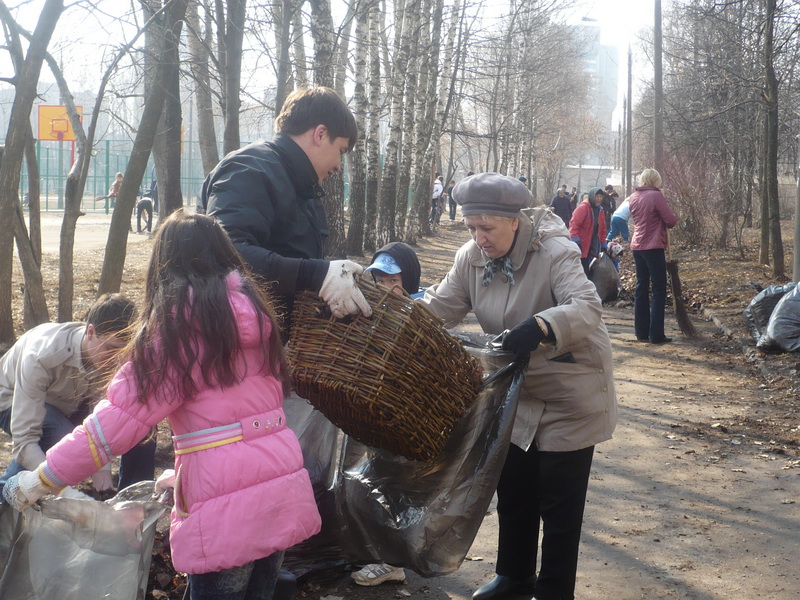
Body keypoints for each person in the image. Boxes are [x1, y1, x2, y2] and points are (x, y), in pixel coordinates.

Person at [3, 212, 322, 600]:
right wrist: (184, 472)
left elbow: (110, 429)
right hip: (281, 486)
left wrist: (41, 479)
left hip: (226, 513)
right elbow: (244, 421)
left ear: (165, 266)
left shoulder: (176, 332)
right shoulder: (257, 320)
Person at [419, 173, 616, 600]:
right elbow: (439, 307)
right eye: (471, 228)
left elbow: (586, 307)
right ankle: (514, 576)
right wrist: (392, 313)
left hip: (571, 389)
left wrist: (542, 325)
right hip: (518, 393)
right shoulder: (471, 257)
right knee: (514, 490)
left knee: (559, 505)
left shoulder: (555, 250)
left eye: (486, 228)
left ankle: (554, 589)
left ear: (515, 221)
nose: (478, 238)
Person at [200, 86, 370, 326]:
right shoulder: (250, 169)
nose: (338, 166)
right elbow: (226, 253)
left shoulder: (303, 187)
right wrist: (316, 275)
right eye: (340, 151)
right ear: (320, 134)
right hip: (231, 344)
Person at [0, 293, 155, 497]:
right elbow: (24, 442)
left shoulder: (111, 357)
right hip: (13, 400)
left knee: (142, 428)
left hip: (71, 401)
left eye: (125, 351)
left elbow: (107, 416)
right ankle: (6, 495)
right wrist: (66, 493)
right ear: (90, 332)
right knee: (59, 434)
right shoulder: (42, 355)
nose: (118, 360)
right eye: (111, 349)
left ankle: (133, 510)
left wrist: (103, 478)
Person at [349, 241, 425, 588]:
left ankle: (392, 561)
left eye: (392, 280)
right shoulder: (365, 313)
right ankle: (364, 550)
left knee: (392, 486)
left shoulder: (419, 314)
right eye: (378, 279)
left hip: (402, 418)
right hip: (367, 412)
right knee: (357, 483)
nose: (384, 287)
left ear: (407, 282)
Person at [628, 168, 678, 344]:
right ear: (656, 180)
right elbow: (670, 221)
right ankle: (656, 334)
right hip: (653, 245)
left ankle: (641, 332)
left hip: (637, 245)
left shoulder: (633, 197)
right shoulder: (656, 196)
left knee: (641, 287)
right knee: (658, 289)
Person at [569, 187, 608, 276]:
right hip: (581, 245)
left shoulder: (600, 210)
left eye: (600, 197)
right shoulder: (583, 208)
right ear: (591, 197)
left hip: (592, 245)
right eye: (596, 196)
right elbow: (573, 225)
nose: (599, 199)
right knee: (583, 271)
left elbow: (602, 229)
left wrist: (603, 244)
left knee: (590, 271)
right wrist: (575, 241)